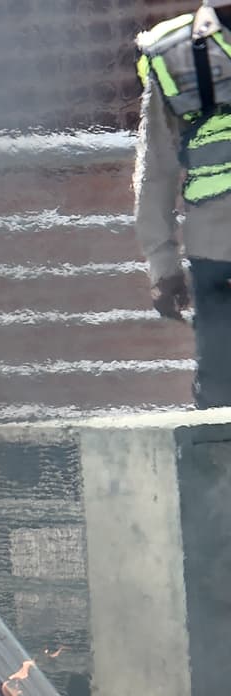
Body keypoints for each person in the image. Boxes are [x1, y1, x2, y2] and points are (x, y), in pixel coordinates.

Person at [135, 1, 231, 407]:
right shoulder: (171, 52)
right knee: (222, 402)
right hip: (220, 258)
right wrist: (162, 263)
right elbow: (155, 166)